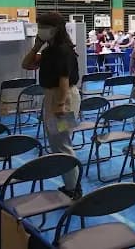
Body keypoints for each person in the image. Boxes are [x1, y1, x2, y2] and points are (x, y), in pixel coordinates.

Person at [21, 12, 82, 199]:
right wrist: (37, 46)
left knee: (62, 143)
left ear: (55, 29)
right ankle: (72, 185)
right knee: (60, 142)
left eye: (43, 26)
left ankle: (73, 189)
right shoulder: (49, 51)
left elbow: (64, 79)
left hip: (63, 99)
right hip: (55, 97)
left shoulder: (62, 50)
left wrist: (61, 105)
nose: (40, 30)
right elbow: (26, 64)